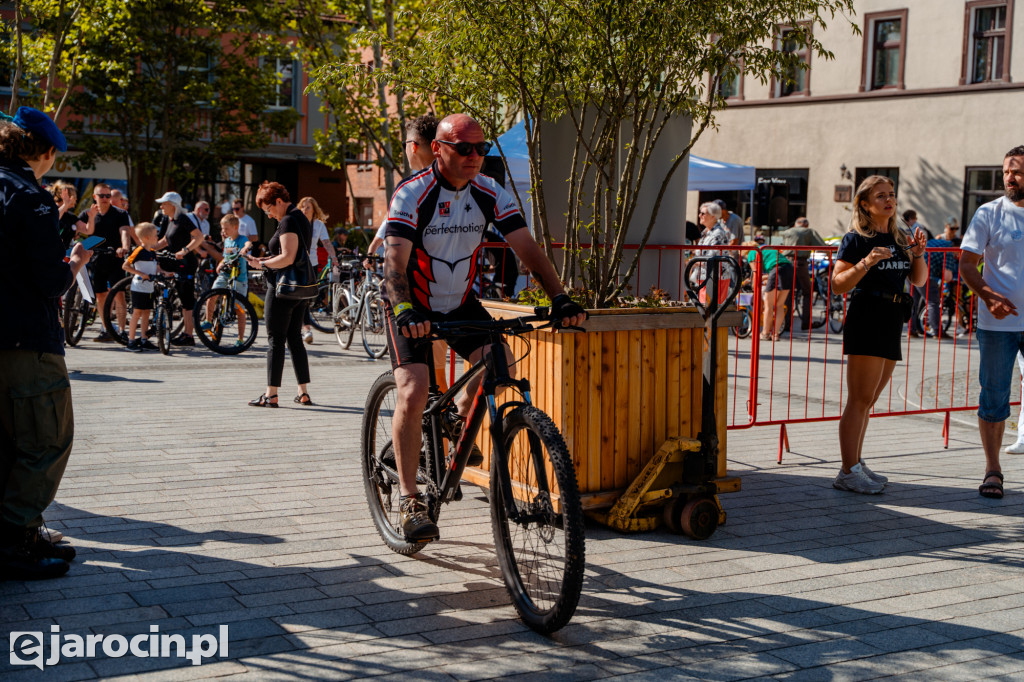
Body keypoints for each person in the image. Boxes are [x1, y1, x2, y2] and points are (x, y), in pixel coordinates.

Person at [382, 113, 586, 542]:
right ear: (437, 148)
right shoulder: (412, 195)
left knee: (500, 363)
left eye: (481, 149)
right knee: (414, 391)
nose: (475, 157)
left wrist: (559, 298)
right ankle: (408, 497)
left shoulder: (490, 192)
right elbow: (394, 263)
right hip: (412, 304)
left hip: (459, 304)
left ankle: (455, 424)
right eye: (464, 148)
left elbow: (527, 248)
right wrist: (403, 308)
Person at [0, 106, 91, 579]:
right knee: (45, 439)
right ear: (48, 152)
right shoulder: (31, 197)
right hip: (26, 340)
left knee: (7, 441)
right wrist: (73, 262)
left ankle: (23, 533)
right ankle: (14, 540)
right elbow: (50, 281)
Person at [830, 175, 928, 494]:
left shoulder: (900, 237)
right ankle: (847, 470)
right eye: (881, 196)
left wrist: (918, 254)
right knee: (859, 398)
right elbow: (838, 283)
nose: (889, 200)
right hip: (867, 316)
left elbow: (918, 281)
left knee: (869, 399)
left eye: (892, 195)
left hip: (892, 318)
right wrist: (866, 262)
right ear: (865, 204)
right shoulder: (856, 238)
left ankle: (856, 462)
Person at [958, 145, 1024, 499]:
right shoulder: (988, 213)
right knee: (995, 395)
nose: (1010, 178)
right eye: (1006, 172)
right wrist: (988, 296)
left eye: (1017, 172)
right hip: (998, 324)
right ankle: (993, 470)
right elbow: (967, 263)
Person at [244, 181, 315, 408]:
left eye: (269, 209)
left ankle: (271, 394)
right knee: (295, 338)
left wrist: (262, 265)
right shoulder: (300, 218)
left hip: (283, 289)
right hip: (299, 289)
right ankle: (303, 392)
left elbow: (287, 257)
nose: (270, 215)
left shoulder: (288, 220)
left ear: (278, 201)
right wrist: (263, 261)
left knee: (275, 339)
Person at [79, 181, 133, 341]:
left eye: (107, 195)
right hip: (96, 258)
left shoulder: (119, 214)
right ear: (94, 196)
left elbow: (125, 232)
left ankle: (122, 330)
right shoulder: (87, 214)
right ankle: (106, 328)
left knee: (119, 295)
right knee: (100, 295)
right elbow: (78, 229)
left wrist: (124, 247)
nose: (104, 198)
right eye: (101, 195)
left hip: (115, 257)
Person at [154, 191, 203, 346]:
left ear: (172, 205)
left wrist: (185, 250)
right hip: (175, 263)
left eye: (164, 203)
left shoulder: (183, 219)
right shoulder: (170, 220)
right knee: (180, 300)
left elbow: (199, 237)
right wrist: (149, 248)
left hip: (186, 264)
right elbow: (166, 240)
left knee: (186, 301)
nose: (161, 206)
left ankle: (189, 335)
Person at [201, 214, 251, 346]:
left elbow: (248, 243)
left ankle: (240, 339)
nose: (223, 231)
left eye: (226, 228)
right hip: (225, 275)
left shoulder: (241, 239)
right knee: (212, 294)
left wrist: (246, 248)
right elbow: (226, 257)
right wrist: (220, 263)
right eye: (222, 228)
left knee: (239, 309)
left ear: (235, 227)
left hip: (239, 278)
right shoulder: (227, 241)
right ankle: (208, 320)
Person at [297, 196, 338, 344]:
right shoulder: (296, 222)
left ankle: (304, 328)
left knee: (306, 298)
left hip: (311, 264)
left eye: (308, 207)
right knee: (300, 297)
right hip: (296, 263)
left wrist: (334, 258)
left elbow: (326, 243)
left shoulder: (319, 225)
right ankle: (306, 329)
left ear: (314, 210)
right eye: (302, 206)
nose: (304, 209)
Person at [121, 223, 167, 352]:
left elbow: (155, 267)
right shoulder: (138, 251)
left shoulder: (152, 252)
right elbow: (125, 266)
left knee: (147, 312)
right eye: (155, 235)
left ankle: (144, 339)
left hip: (149, 288)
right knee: (137, 313)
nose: (157, 237)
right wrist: (141, 274)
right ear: (147, 237)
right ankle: (131, 341)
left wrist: (164, 272)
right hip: (139, 287)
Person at [911, 220, 959, 339]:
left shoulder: (936, 241)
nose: (959, 256)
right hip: (926, 274)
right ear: (957, 247)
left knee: (914, 302)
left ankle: (912, 330)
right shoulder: (949, 250)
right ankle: (937, 332)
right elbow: (947, 277)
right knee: (933, 301)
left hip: (912, 268)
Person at [778, 217, 826, 331]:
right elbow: (822, 246)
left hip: (785, 262)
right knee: (807, 292)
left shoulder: (787, 231)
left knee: (787, 293)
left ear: (795, 224)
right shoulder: (808, 231)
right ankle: (806, 323)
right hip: (800, 263)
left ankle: (786, 323)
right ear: (806, 225)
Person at [746, 242, 793, 341]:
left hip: (777, 270)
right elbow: (775, 271)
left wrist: (754, 288)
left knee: (768, 305)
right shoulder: (768, 249)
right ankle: (775, 334)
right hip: (789, 269)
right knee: (779, 305)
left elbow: (756, 273)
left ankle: (765, 333)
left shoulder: (752, 253)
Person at [50, 180, 81, 248]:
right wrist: (65, 204)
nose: (75, 199)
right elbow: (54, 219)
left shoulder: (69, 215)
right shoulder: (51, 208)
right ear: (64, 196)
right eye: (73, 196)